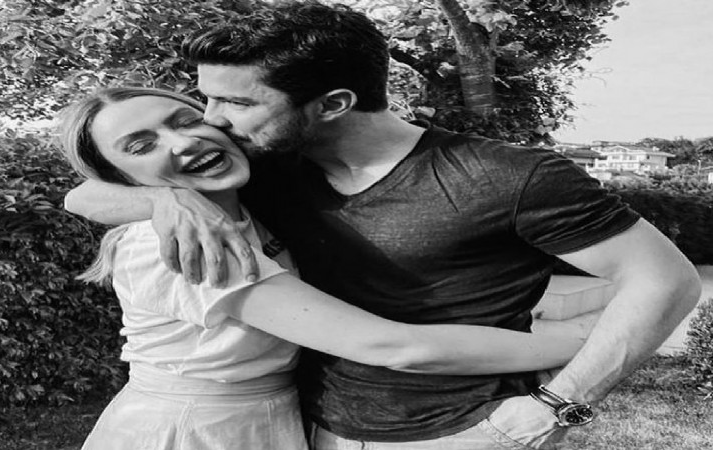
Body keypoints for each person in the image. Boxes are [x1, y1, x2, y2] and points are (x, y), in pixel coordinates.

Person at [65, 2, 702, 449]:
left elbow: (666, 281)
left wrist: (562, 404)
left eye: (234, 101)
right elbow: (85, 191)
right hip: (312, 427)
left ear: (333, 104)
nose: (211, 120)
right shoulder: (264, 167)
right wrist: (163, 202)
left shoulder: (509, 176)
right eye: (207, 98)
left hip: (469, 430)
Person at [59, 87, 586, 450]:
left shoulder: (249, 198)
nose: (183, 142)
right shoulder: (174, 244)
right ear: (120, 177)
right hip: (194, 432)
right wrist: (593, 341)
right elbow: (392, 346)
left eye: (186, 120)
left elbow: (81, 196)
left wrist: (163, 195)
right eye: (141, 146)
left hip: (271, 419)